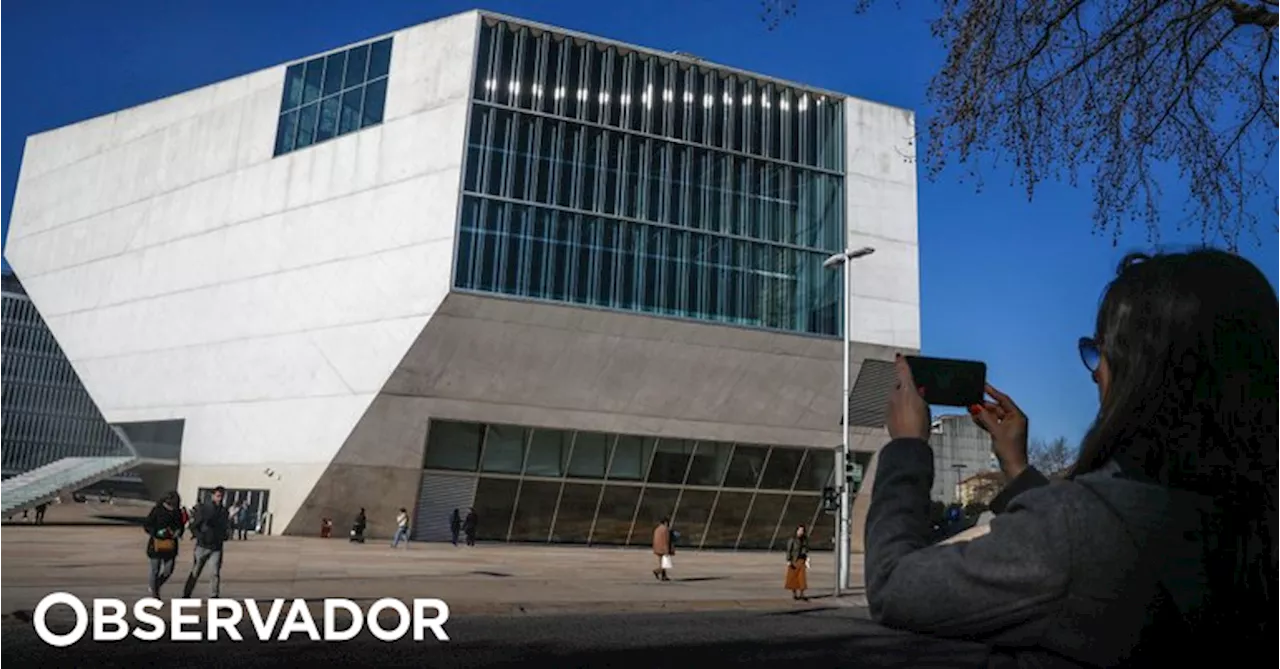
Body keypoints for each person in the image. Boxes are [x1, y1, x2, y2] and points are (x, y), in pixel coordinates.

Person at [868, 249, 1280, 666]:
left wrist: (907, 447)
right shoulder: (1251, 518)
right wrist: (1017, 467)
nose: (1094, 372)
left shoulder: (1081, 531)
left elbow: (893, 586)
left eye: (1100, 352)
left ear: (1140, 370)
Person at [182, 486, 231, 598]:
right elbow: (193, 525)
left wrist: (225, 535)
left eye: (222, 496)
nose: (220, 498)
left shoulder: (224, 511)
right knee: (195, 572)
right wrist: (200, 536)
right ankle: (186, 594)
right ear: (213, 496)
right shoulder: (204, 509)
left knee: (215, 573)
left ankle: (214, 596)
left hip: (216, 546)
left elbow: (225, 526)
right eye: (218, 496)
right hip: (202, 546)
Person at [143, 491, 184, 598]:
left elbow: (180, 525)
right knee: (155, 570)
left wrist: (178, 532)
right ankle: (154, 594)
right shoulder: (157, 510)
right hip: (156, 544)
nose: (174, 507)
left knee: (168, 570)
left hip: (171, 544)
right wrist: (157, 532)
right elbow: (147, 525)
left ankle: (155, 585)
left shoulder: (177, 512)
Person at [784, 523, 809, 600]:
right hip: (794, 560)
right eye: (800, 530)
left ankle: (802, 593)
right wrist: (788, 560)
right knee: (793, 577)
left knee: (802, 578)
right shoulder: (792, 539)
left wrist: (806, 557)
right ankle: (794, 593)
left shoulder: (805, 539)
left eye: (802, 530)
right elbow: (789, 550)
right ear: (797, 530)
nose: (801, 532)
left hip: (801, 560)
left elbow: (806, 548)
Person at [651, 517, 672, 581]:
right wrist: (667, 549)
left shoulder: (657, 529)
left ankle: (664, 576)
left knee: (662, 562)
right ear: (665, 522)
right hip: (664, 548)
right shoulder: (665, 529)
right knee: (665, 564)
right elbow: (666, 540)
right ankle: (657, 571)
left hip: (657, 547)